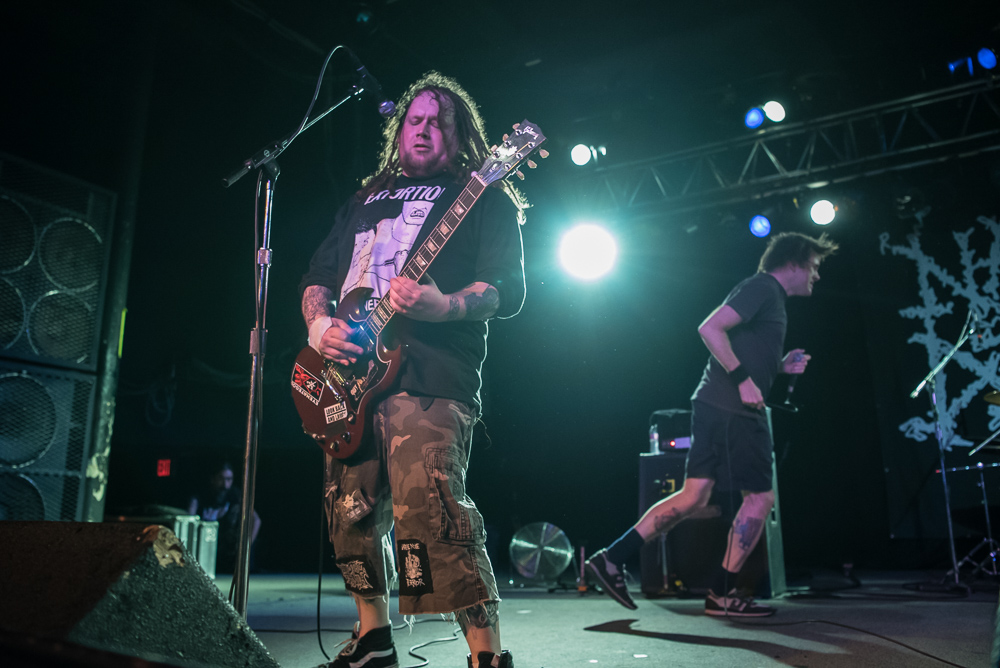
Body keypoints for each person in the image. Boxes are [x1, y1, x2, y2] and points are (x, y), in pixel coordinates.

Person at [298, 71, 526, 668]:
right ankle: (373, 638)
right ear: (400, 131)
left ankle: (487, 656)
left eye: (438, 123)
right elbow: (318, 280)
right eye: (414, 121)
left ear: (462, 137)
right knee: (348, 512)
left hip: (430, 378)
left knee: (435, 514)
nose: (423, 131)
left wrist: (443, 304)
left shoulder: (480, 196)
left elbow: (505, 290)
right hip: (348, 380)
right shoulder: (362, 199)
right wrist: (321, 330)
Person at [586, 232, 838, 617]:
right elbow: (709, 328)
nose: (817, 275)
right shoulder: (764, 288)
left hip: (712, 405)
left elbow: (738, 344)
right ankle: (721, 594)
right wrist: (743, 380)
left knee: (694, 496)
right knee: (760, 498)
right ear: (793, 262)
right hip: (732, 411)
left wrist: (779, 366)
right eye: (815, 266)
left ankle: (611, 558)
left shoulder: (767, 295)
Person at [187, 461, 261, 573]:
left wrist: (248, 544)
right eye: (221, 479)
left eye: (229, 479)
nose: (225, 484)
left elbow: (256, 520)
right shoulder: (201, 496)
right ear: (213, 479)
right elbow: (189, 519)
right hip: (205, 546)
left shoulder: (235, 496)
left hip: (228, 549)